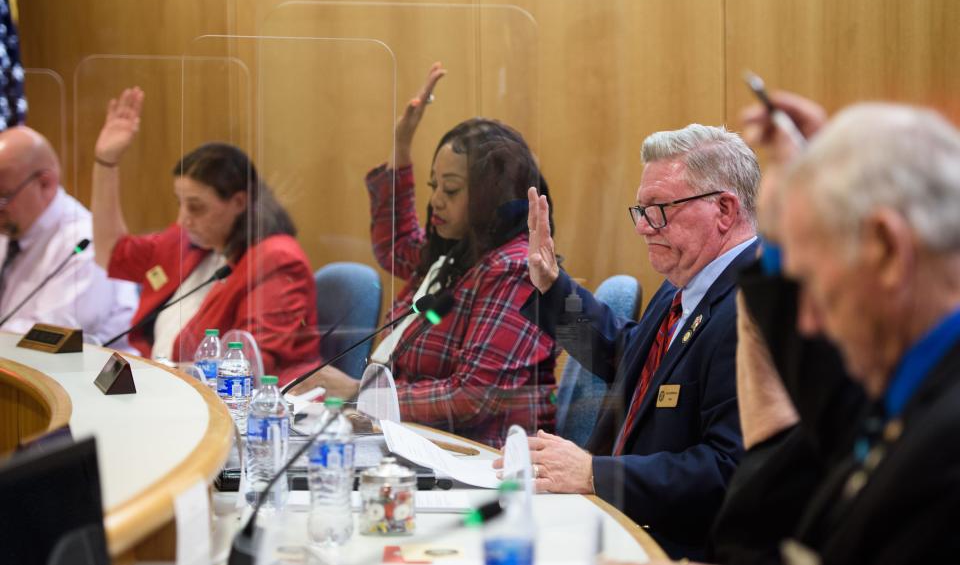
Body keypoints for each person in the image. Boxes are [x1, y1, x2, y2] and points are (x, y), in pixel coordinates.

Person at [705, 95, 960, 565]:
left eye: (816, 288)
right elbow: (819, 382)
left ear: (886, 251)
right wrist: (796, 191)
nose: (808, 321)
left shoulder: (944, 453)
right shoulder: (906, 386)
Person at [506, 124, 761, 558]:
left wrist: (594, 474)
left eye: (659, 209)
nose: (643, 227)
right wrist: (552, 288)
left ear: (724, 209)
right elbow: (631, 356)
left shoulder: (753, 311)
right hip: (625, 522)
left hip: (681, 548)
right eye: (640, 210)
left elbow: (728, 470)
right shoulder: (686, 282)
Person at [299, 63, 557, 448]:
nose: (435, 200)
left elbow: (473, 396)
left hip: (480, 458)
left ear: (492, 196)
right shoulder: (455, 254)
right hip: (415, 440)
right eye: (434, 185)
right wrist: (402, 144)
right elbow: (396, 245)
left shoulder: (514, 269)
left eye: (450, 190)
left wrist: (358, 392)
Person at [90, 87, 319, 383]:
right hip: (166, 387)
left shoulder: (276, 259)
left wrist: (157, 374)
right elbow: (110, 253)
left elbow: (248, 366)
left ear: (238, 202)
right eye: (180, 203)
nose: (182, 219)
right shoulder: (189, 240)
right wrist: (106, 163)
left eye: (196, 207)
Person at [0, 126, 137, 342]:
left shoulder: (84, 242)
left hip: (80, 372)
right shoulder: (10, 229)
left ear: (45, 183)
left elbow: (50, 336)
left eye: (3, 197)